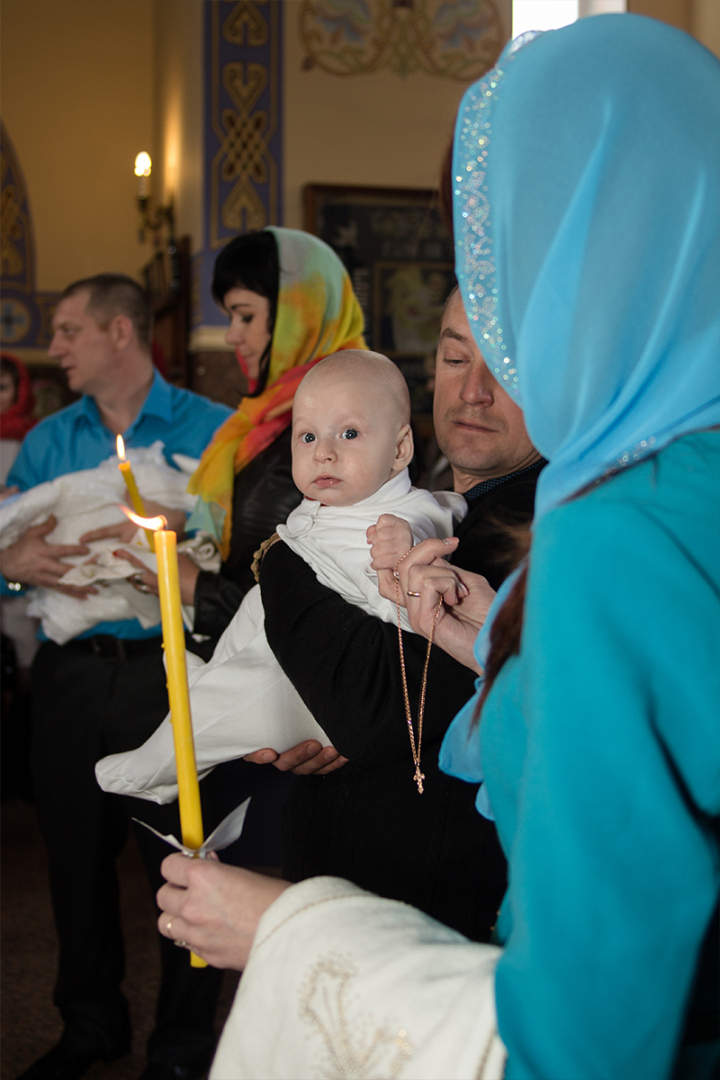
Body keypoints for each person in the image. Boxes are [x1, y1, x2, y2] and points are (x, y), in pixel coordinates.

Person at [154, 14, 720, 1080]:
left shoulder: (612, 530)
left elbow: (584, 1039)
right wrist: (498, 637)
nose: (499, 337)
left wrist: (293, 932)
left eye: (509, 264)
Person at [0, 274, 233, 1080]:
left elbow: (240, 551)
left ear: (121, 334)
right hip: (69, 675)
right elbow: (7, 544)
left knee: (181, 859)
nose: (55, 346)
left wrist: (189, 533)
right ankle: (89, 1024)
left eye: (68, 331)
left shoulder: (216, 430)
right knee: (71, 859)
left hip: (167, 671)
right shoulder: (45, 443)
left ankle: (182, 1046)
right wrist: (11, 565)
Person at [96, 350, 464, 802]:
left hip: (344, 684)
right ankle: (206, 685)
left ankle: (157, 765)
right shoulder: (328, 507)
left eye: (349, 434)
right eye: (307, 436)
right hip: (308, 647)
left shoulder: (408, 515)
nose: (324, 452)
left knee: (241, 691)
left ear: (400, 449)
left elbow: (431, 574)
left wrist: (405, 550)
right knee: (254, 616)